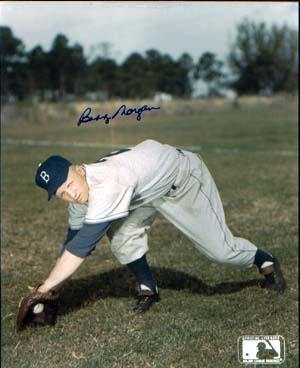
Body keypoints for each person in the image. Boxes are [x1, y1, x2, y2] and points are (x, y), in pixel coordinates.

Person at [34, 139, 286, 313]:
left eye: (69, 183)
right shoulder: (80, 193)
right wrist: (53, 288)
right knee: (122, 238)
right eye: (61, 192)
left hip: (182, 179)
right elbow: (73, 241)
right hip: (144, 190)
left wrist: (45, 287)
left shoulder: (108, 182)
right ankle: (148, 287)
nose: (71, 193)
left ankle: (265, 260)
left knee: (220, 250)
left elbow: (81, 247)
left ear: (78, 169)